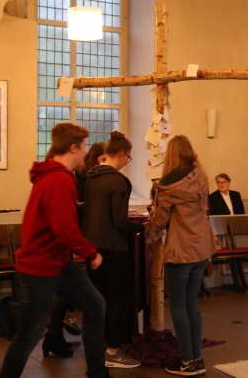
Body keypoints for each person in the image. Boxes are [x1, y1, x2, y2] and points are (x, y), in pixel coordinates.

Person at [0, 122, 110, 378]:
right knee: (29, 333)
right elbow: (64, 228)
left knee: (94, 305)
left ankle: (97, 372)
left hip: (58, 263)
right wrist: (91, 253)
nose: (85, 154)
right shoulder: (58, 179)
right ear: (73, 148)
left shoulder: (56, 175)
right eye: (83, 148)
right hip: (39, 268)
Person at [146, 135, 216, 377]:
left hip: (180, 250)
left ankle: (187, 361)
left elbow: (160, 221)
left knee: (177, 305)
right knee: (191, 304)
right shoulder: (201, 175)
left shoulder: (167, 184)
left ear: (171, 155)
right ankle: (197, 358)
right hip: (201, 248)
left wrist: (150, 227)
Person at [82, 131, 144, 369]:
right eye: (128, 158)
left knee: (98, 300)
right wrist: (139, 228)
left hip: (92, 247)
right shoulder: (118, 181)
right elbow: (119, 221)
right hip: (115, 249)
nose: (127, 162)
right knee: (118, 300)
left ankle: (97, 346)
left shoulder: (90, 177)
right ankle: (113, 350)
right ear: (119, 154)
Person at [41, 142, 107, 358]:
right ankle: (57, 338)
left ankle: (54, 336)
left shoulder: (77, 175)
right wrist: (88, 249)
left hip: (71, 242)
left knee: (67, 295)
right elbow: (72, 214)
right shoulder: (82, 177)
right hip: (77, 239)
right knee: (83, 299)